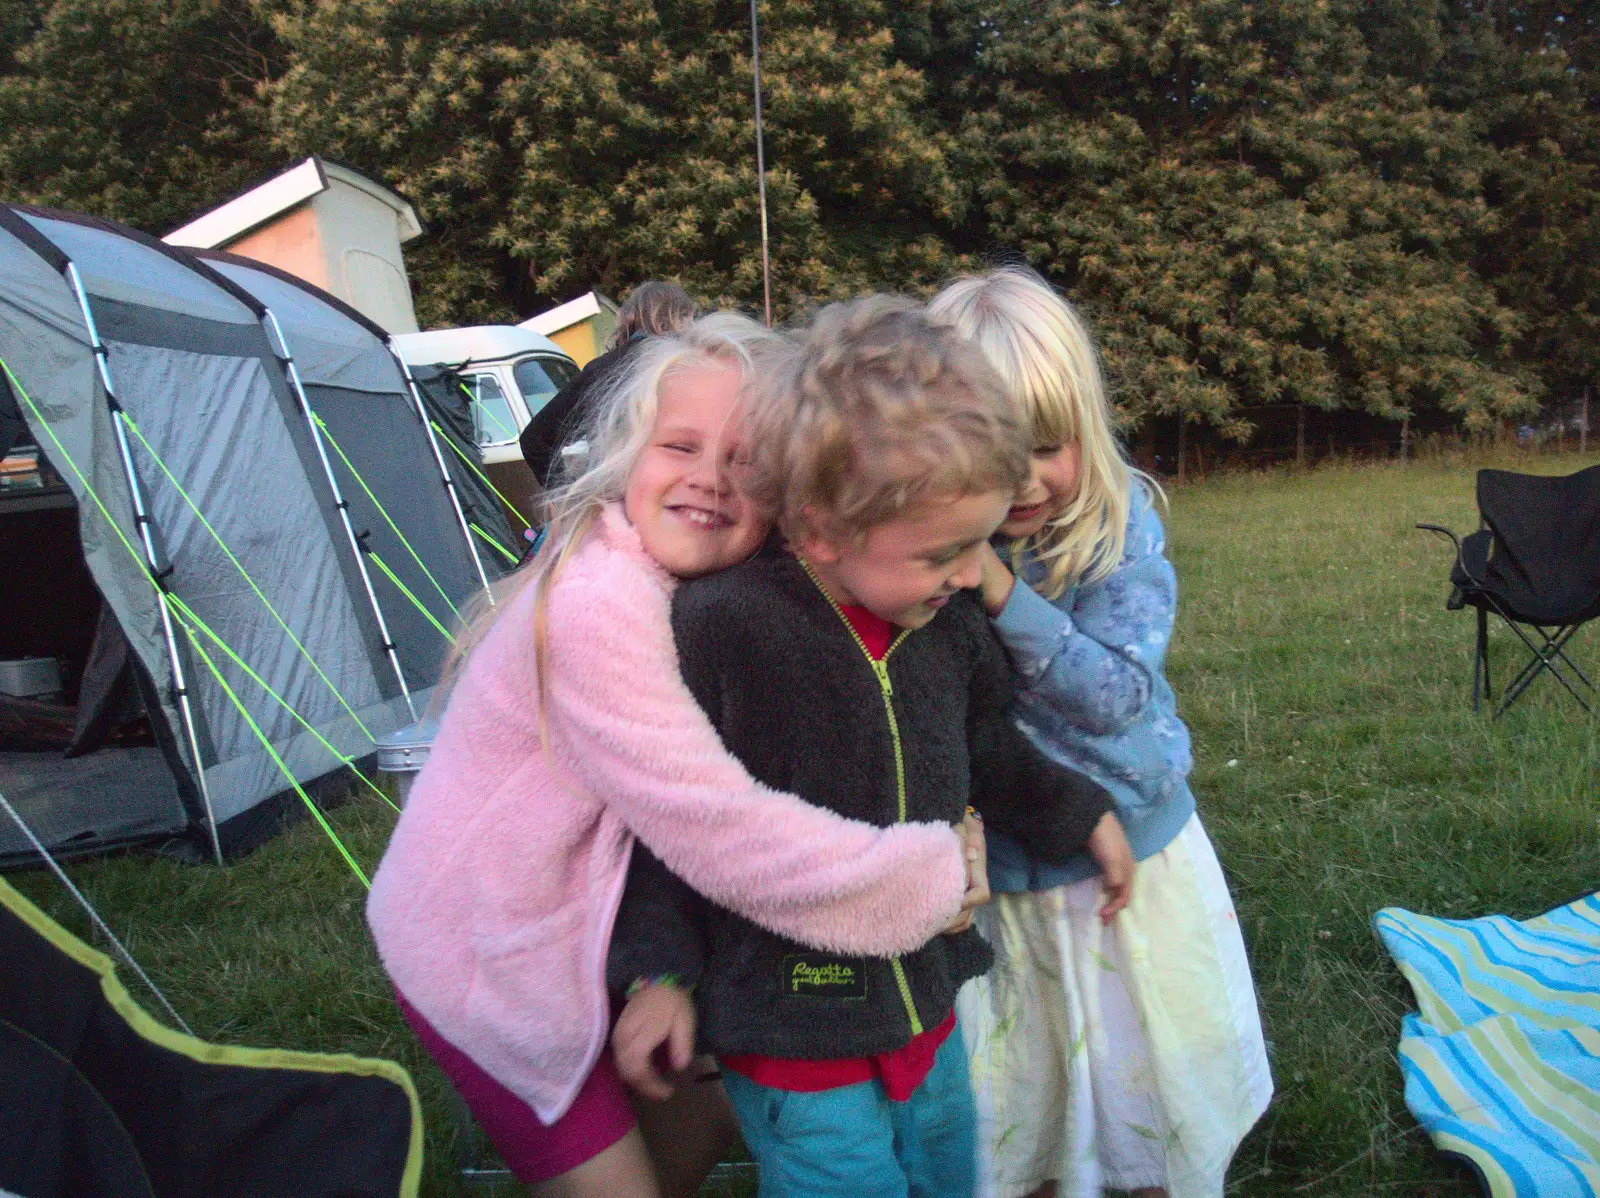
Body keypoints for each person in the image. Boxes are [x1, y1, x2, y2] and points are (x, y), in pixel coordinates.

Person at [366, 311, 988, 1198]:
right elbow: (718, 829)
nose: (710, 481)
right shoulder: (595, 610)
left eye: (745, 462)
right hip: (487, 961)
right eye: (681, 447)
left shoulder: (705, 596)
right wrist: (926, 875)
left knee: (698, 1115)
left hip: (589, 926)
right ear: (626, 457)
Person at [606, 296, 1134, 1198]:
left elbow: (988, 751)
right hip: (790, 1029)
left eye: (977, 543)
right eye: (942, 554)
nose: (971, 575)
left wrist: (1081, 812)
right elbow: (665, 825)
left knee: (943, 1170)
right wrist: (655, 972)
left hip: (926, 1009)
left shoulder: (948, 621)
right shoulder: (724, 629)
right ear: (819, 529)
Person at [929, 267, 1273, 1198]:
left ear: (1087, 425)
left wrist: (999, 592)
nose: (1029, 481)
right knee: (1026, 1103)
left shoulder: (1122, 534)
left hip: (1126, 878)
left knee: (1142, 1093)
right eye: (999, 456)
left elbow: (1117, 695)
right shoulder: (926, 550)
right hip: (1003, 883)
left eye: (1051, 446)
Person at [519, 281, 698, 487]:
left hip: (618, 501)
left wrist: (572, 495)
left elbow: (535, 441)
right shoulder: (691, 367)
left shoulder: (602, 369)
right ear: (681, 317)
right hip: (679, 495)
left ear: (630, 318)